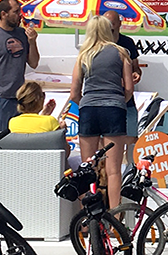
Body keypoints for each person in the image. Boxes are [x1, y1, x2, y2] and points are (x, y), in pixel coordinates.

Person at [70, 15, 134, 209]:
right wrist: (118, 102)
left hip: (89, 109)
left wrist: (86, 103)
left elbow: (74, 93)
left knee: (87, 168)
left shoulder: (83, 55)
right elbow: (129, 89)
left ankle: (86, 217)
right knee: (113, 170)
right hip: (114, 109)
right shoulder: (121, 53)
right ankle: (115, 216)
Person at [0, 0, 40, 131]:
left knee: (18, 138)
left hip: (20, 99)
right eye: (16, 11)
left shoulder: (21, 34)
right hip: (0, 98)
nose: (20, 15)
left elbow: (34, 63)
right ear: (4, 14)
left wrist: (32, 42)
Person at [102, 11, 141, 146]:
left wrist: (136, 74)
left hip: (126, 97)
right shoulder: (100, 45)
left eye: (112, 23)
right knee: (105, 140)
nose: (109, 27)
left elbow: (136, 67)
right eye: (106, 24)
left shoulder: (127, 42)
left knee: (131, 137)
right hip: (106, 97)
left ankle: (129, 159)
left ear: (119, 24)